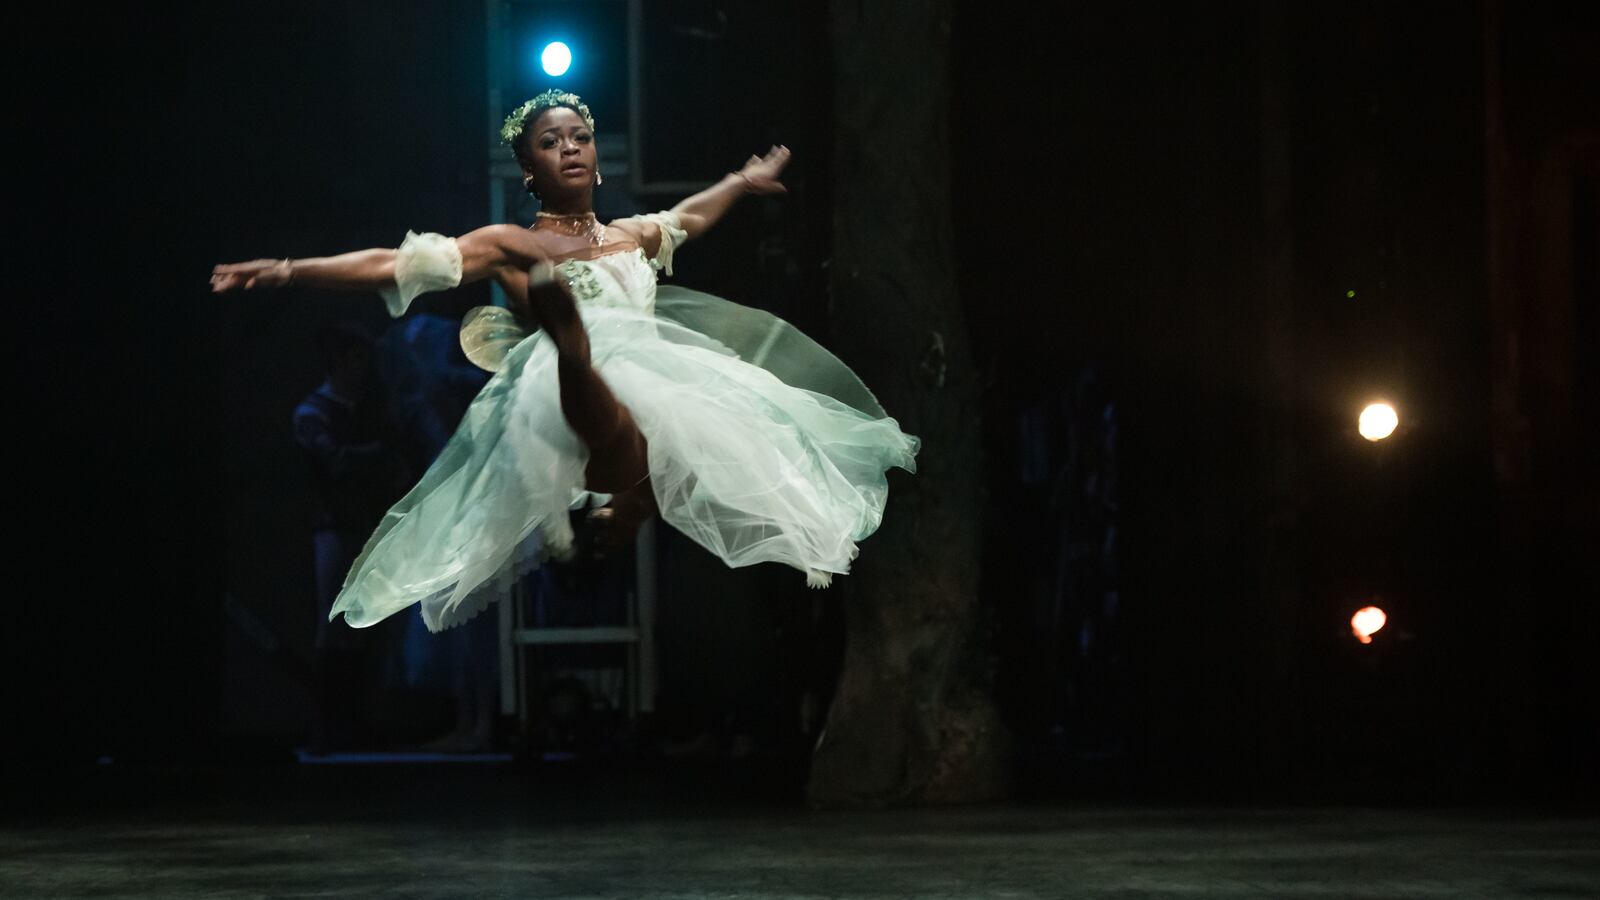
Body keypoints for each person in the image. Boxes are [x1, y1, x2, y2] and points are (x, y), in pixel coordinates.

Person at [212, 89, 919, 636]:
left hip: (649, 392)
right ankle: (569, 342)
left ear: (598, 156)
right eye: (552, 143)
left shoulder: (629, 237)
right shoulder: (508, 243)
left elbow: (691, 217)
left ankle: (629, 499)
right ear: (529, 169)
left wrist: (741, 180)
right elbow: (394, 263)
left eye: (581, 138)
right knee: (578, 358)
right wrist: (286, 270)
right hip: (556, 406)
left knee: (666, 411)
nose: (571, 149)